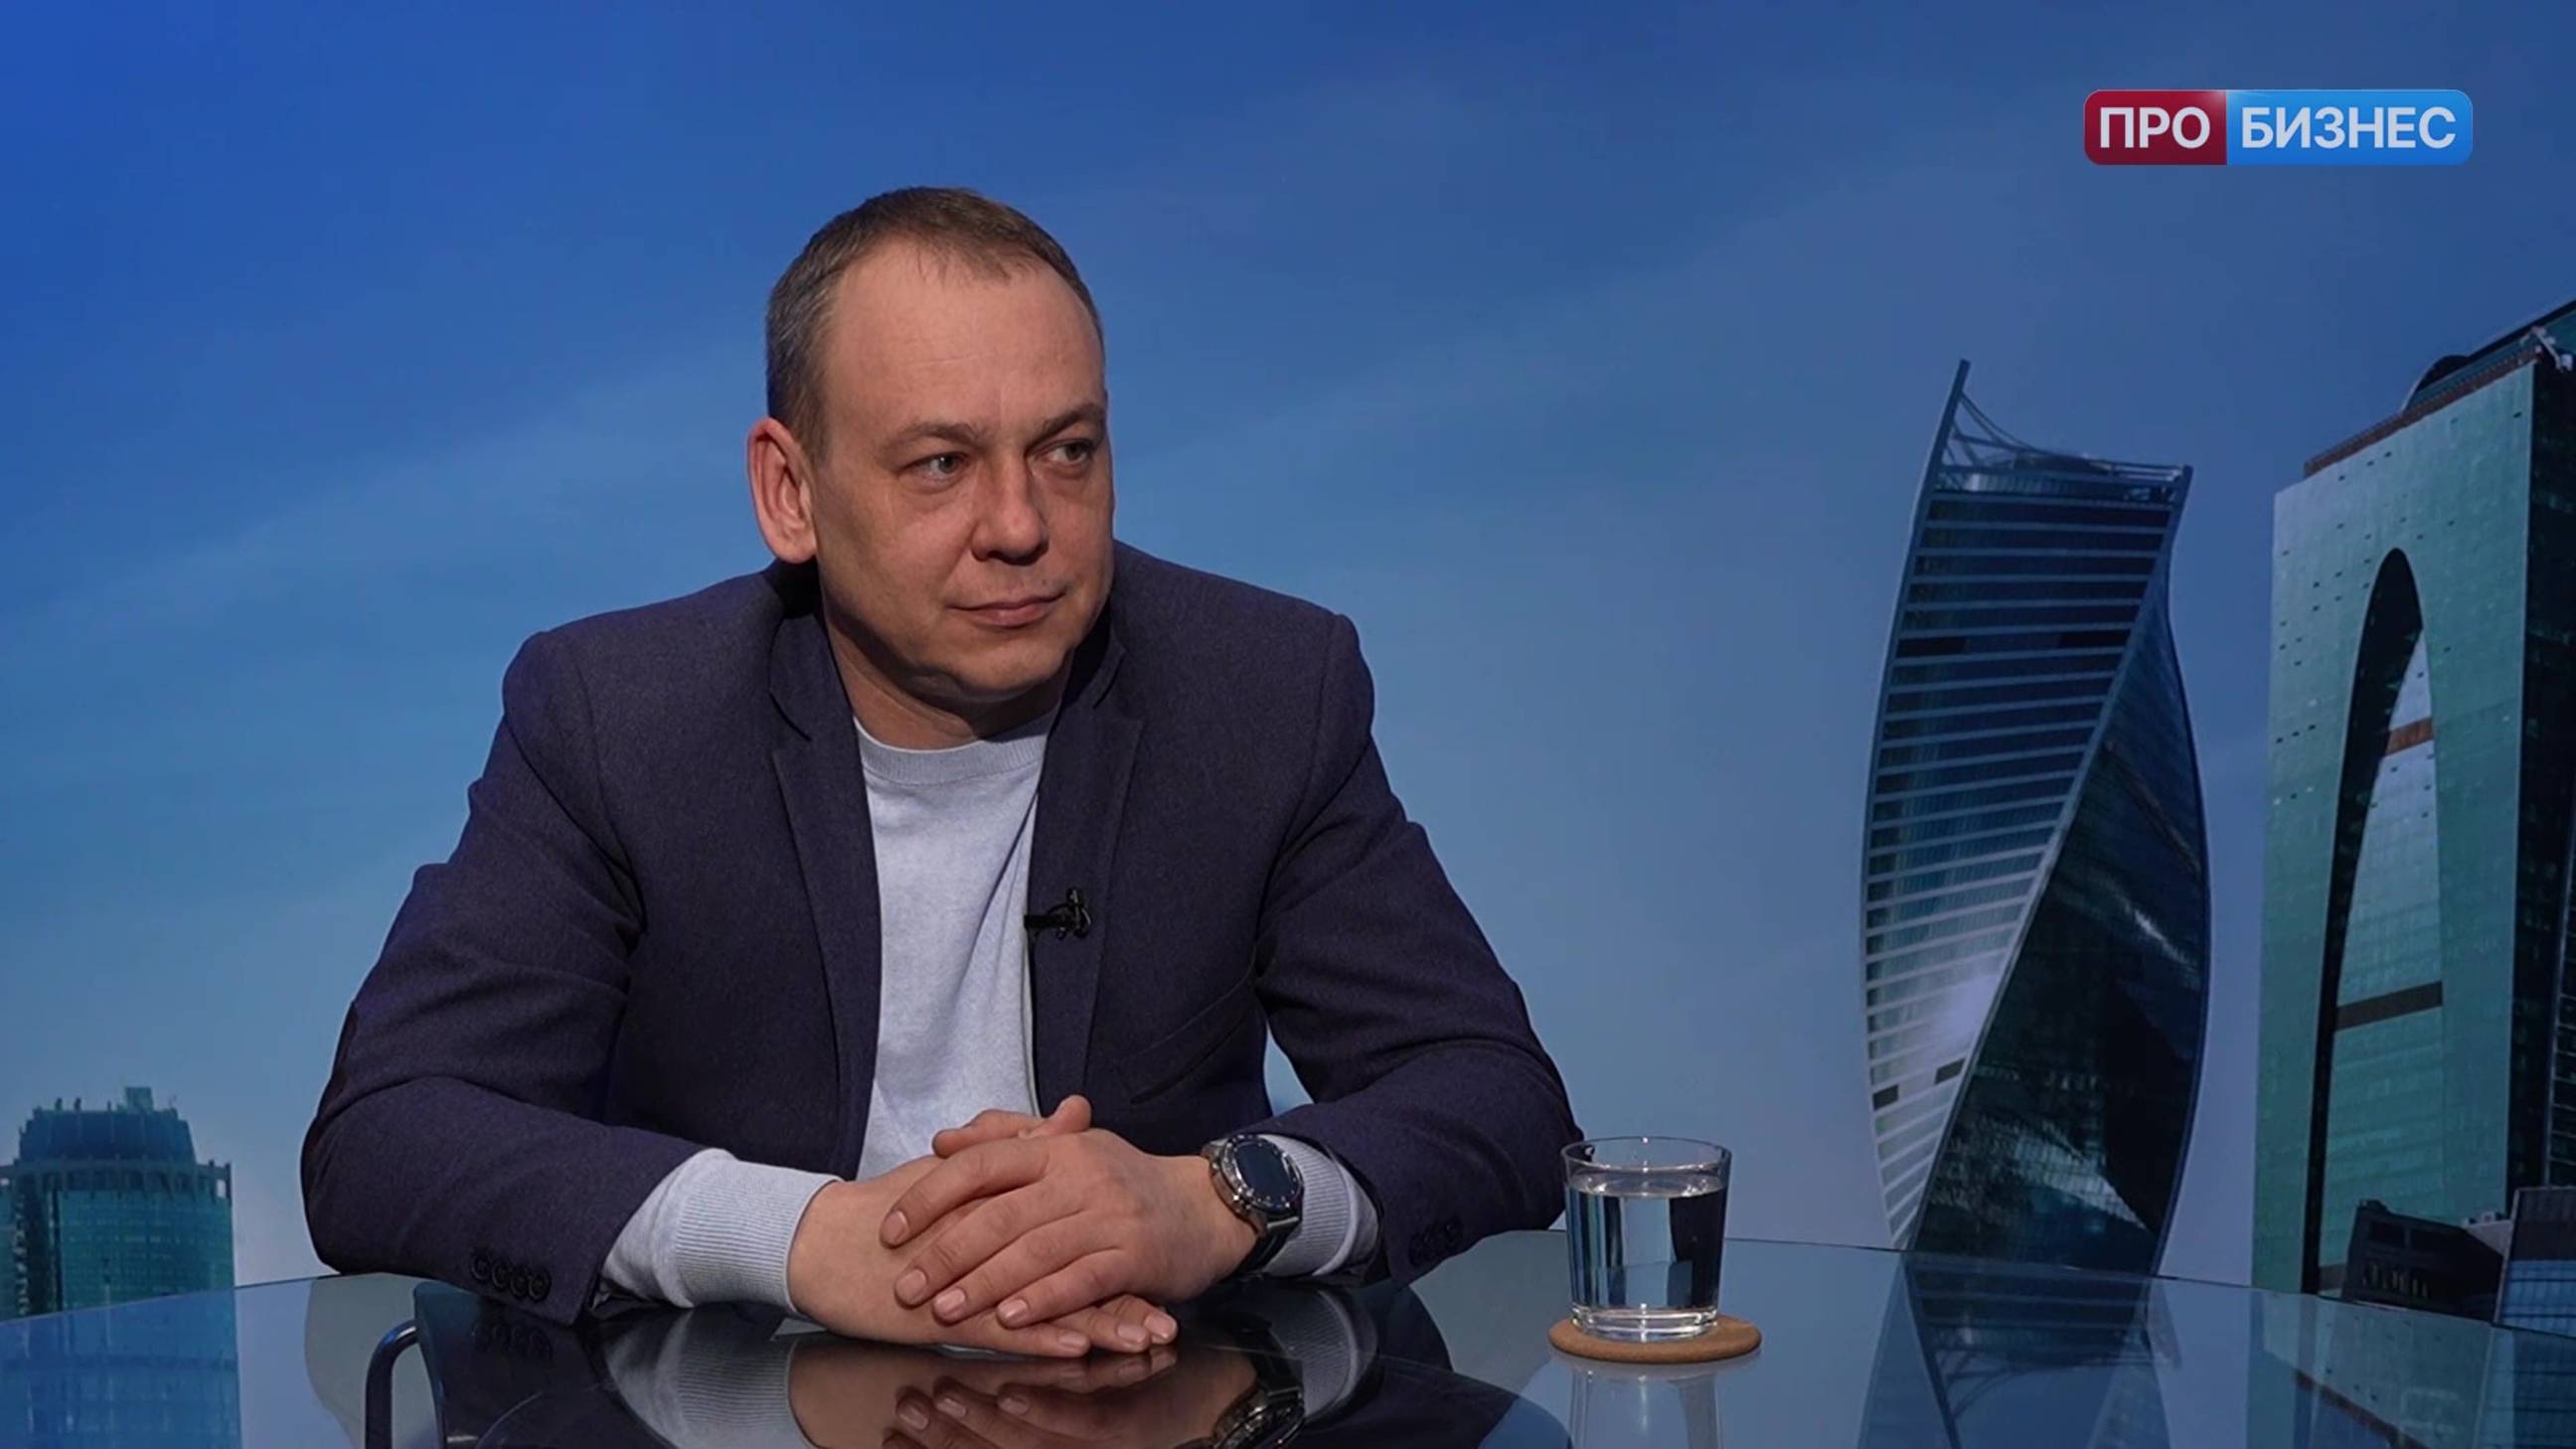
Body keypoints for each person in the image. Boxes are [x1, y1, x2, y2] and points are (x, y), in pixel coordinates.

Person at [300, 186, 1577, 1352]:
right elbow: (387, 1132)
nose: (1020, 526)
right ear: (790, 493)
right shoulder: (617, 719)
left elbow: (1498, 1100)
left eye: (1068, 452)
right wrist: (798, 1239)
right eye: (941, 465)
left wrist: (1216, 1202)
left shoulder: (1264, 692)